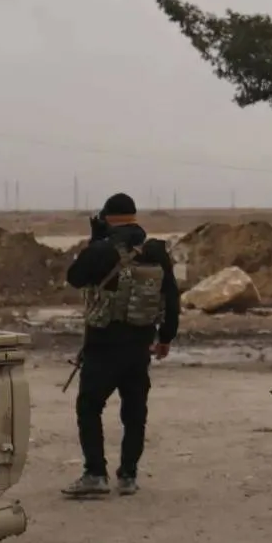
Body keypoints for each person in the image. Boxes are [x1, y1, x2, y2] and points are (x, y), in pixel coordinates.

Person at [61, 193, 180, 498]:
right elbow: (171, 295)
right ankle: (128, 475)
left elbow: (74, 278)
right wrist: (166, 337)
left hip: (103, 345)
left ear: (108, 217)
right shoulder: (154, 251)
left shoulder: (102, 250)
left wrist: (95, 241)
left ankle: (95, 474)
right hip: (140, 345)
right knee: (135, 412)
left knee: (89, 407)